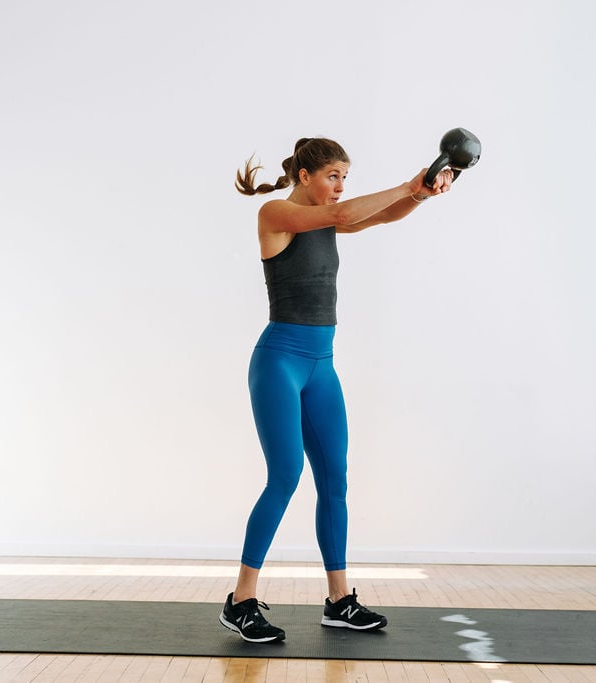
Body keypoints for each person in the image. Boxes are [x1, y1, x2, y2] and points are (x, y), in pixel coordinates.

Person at [219, 137, 455, 643]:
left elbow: (379, 217)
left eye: (344, 177)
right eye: (332, 176)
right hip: (279, 362)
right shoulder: (277, 212)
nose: (340, 187)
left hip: (321, 368)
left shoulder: (330, 214)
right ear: (305, 176)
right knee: (285, 475)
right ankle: (240, 601)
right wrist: (408, 184)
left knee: (336, 480)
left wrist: (420, 196)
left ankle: (340, 600)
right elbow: (348, 216)